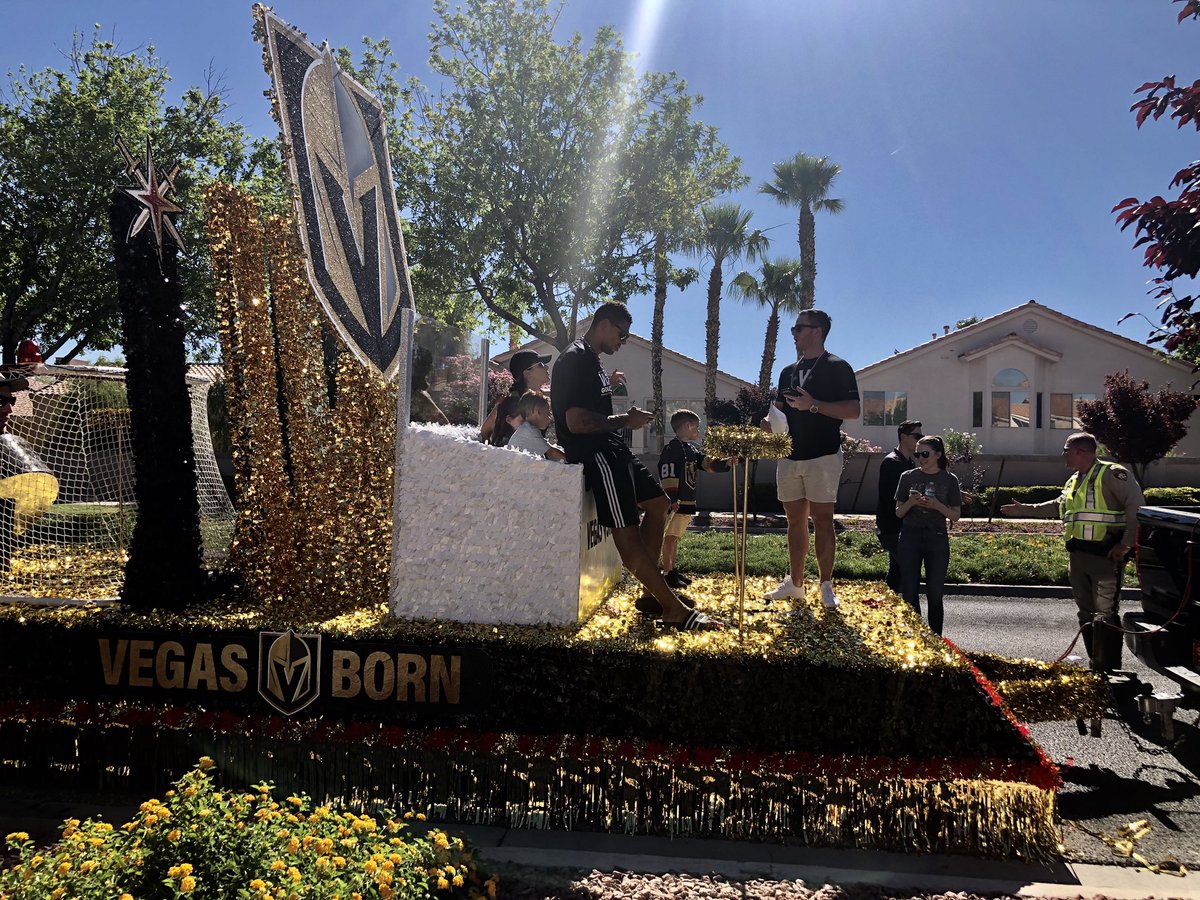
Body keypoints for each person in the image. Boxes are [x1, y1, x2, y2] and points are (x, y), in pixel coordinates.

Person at [552, 301, 719, 631]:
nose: (623, 342)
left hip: (613, 449)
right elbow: (575, 422)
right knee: (626, 534)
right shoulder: (574, 359)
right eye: (622, 335)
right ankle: (672, 608)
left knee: (659, 504)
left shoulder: (592, 360)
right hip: (596, 455)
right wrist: (626, 420)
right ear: (604, 325)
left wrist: (618, 412)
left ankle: (650, 593)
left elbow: (591, 407)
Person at [1000, 432, 1144, 671]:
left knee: (1105, 614)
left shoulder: (1111, 474)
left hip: (1106, 556)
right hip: (1078, 556)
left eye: (1066, 450)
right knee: (1086, 613)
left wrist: (1126, 543)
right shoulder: (1074, 480)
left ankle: (1112, 671)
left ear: (1080, 452)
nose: (1063, 455)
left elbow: (1136, 506)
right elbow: (1059, 505)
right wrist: (1025, 509)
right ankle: (1096, 666)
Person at [761, 309, 860, 609]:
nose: (793, 334)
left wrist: (813, 405)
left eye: (798, 329)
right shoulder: (787, 371)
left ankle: (826, 585)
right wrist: (768, 424)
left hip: (823, 454)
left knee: (822, 519)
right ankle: (796, 584)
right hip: (789, 454)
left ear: (817, 331)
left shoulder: (838, 366)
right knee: (794, 520)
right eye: (794, 329)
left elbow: (853, 410)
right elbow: (779, 410)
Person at [894, 435, 961, 635]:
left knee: (935, 593)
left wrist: (937, 505)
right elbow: (898, 512)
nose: (920, 459)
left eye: (925, 454)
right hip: (910, 537)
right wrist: (911, 502)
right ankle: (914, 638)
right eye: (917, 454)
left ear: (938, 455)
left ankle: (935, 639)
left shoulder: (949, 480)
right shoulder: (907, 477)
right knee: (909, 591)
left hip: (936, 538)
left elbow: (955, 515)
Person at [657, 409, 731, 588]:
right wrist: (672, 498)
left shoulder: (690, 449)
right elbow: (667, 473)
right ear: (688, 426)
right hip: (677, 502)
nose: (698, 430)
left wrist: (727, 462)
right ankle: (668, 573)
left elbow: (706, 463)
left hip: (688, 501)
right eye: (696, 427)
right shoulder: (672, 449)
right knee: (669, 537)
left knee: (675, 537)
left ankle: (672, 570)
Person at [876, 420, 923, 593]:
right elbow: (894, 499)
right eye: (917, 436)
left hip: (900, 527)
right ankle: (905, 605)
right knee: (908, 571)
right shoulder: (893, 463)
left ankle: (888, 603)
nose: (920, 440)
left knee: (897, 574)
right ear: (903, 437)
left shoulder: (908, 462)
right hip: (892, 528)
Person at [481, 349, 551, 446]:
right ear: (528, 374)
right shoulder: (512, 402)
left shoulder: (542, 396)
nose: (547, 367)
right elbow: (485, 432)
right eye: (541, 365)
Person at [506, 391, 565, 461]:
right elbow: (552, 453)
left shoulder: (526, 429)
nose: (549, 418)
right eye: (548, 413)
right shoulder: (530, 431)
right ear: (538, 411)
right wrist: (572, 461)